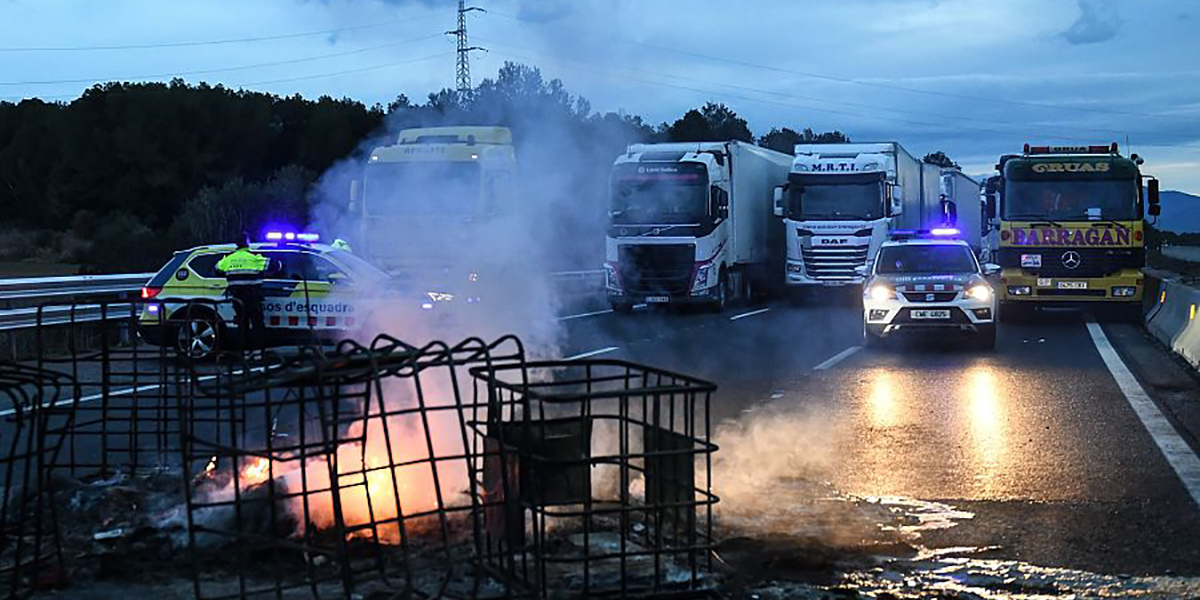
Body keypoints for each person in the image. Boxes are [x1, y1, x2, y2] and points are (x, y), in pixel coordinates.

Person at [216, 239, 270, 351]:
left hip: (237, 297)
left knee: (242, 324)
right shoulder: (254, 258)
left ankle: (242, 352)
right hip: (252, 296)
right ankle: (258, 352)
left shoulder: (229, 259)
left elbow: (217, 268)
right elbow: (275, 266)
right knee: (257, 324)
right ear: (247, 244)